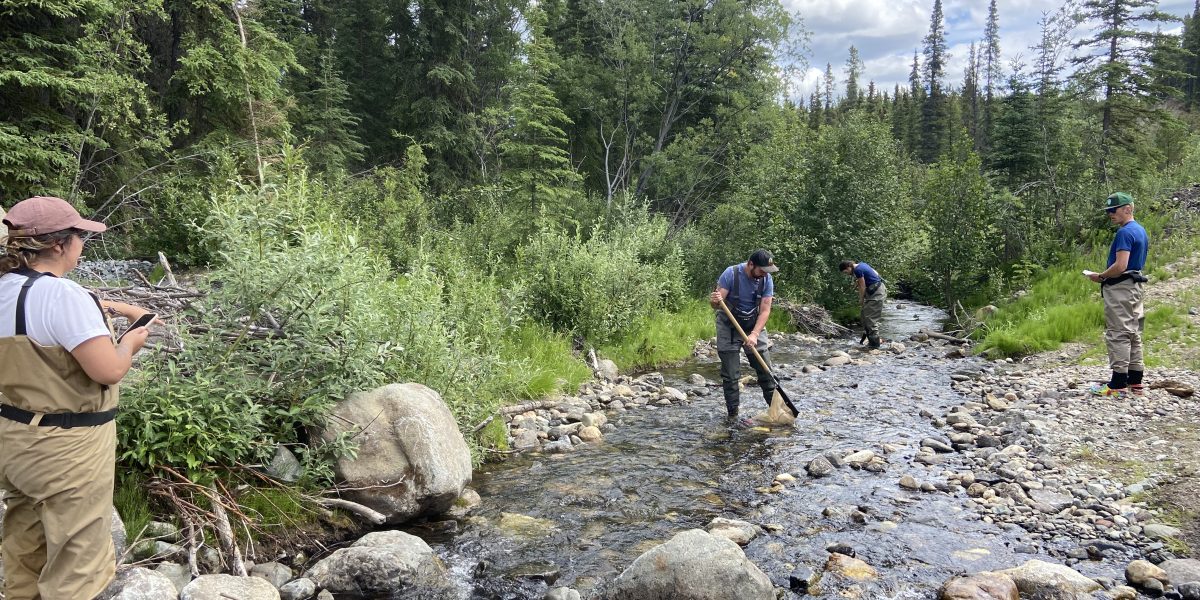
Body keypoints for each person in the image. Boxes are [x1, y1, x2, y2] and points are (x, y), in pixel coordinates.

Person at [0, 196, 153, 599]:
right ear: (59, 244)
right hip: (69, 448)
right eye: (81, 235)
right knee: (77, 563)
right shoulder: (66, 296)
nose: (83, 243)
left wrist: (105, 306)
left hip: (15, 439)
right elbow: (108, 370)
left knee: (24, 544)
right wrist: (130, 344)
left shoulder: (5, 288)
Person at [1086, 192, 1149, 398]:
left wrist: (1101, 276)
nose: (1110, 214)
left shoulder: (1124, 233)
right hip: (1135, 287)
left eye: (1114, 210)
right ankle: (1135, 381)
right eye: (1108, 211)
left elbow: (1120, 266)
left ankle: (1117, 385)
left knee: (1118, 333)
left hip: (1120, 288)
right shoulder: (1140, 230)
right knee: (1133, 331)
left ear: (1128, 209)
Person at [708, 249, 778, 422]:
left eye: (767, 271)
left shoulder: (767, 280)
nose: (764, 275)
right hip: (729, 326)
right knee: (731, 376)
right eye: (761, 270)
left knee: (766, 372)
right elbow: (716, 304)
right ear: (750, 264)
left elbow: (765, 310)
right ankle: (732, 416)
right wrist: (715, 301)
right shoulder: (731, 274)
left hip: (754, 325)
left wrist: (754, 334)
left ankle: (777, 412)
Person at [840, 260, 886, 349]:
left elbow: (862, 286)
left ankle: (875, 346)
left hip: (877, 293)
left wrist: (861, 299)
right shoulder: (862, 264)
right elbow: (875, 273)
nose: (847, 274)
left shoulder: (857, 270)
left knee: (870, 319)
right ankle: (870, 342)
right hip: (875, 291)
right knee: (864, 316)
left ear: (848, 267)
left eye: (846, 272)